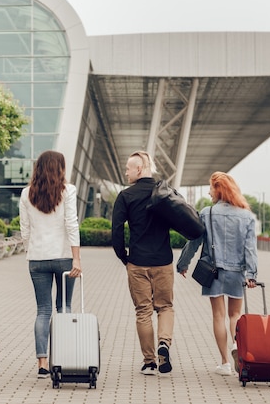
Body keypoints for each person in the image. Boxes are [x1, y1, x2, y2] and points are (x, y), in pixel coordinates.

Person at [176, 171, 258, 376]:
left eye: (211, 188)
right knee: (235, 315)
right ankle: (237, 345)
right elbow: (250, 249)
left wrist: (183, 264)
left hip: (213, 272)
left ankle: (225, 363)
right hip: (237, 272)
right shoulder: (246, 216)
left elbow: (194, 242)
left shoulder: (207, 213)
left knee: (218, 316)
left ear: (219, 189)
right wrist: (252, 274)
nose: (209, 191)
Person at [19, 150, 82, 379]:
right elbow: (71, 224)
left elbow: (24, 229)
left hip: (36, 258)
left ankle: (42, 364)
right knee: (64, 307)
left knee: (43, 310)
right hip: (64, 257)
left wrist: (31, 249)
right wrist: (76, 257)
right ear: (60, 168)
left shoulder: (26, 194)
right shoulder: (68, 191)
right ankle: (64, 358)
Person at [111, 150, 174, 375]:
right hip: (163, 260)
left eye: (128, 168)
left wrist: (124, 257)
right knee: (165, 306)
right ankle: (164, 344)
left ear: (139, 169)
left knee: (143, 311)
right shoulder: (165, 192)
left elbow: (116, 231)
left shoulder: (126, 196)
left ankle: (149, 362)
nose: (126, 172)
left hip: (137, 261)